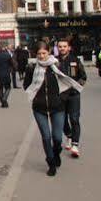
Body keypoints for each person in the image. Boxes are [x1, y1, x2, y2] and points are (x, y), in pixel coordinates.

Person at [23, 42, 82, 176]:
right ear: (35, 54)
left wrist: (61, 98)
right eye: (39, 54)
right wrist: (35, 97)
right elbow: (27, 85)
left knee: (57, 138)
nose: (42, 56)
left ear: (49, 52)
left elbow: (66, 82)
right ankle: (50, 162)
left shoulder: (56, 65)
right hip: (39, 108)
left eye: (44, 53)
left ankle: (56, 153)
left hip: (57, 107)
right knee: (46, 136)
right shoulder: (31, 67)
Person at [56, 38, 87, 157]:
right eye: (60, 46)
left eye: (64, 46)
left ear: (69, 48)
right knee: (62, 120)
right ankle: (69, 135)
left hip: (73, 95)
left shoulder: (75, 60)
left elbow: (83, 77)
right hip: (60, 96)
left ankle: (75, 144)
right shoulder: (54, 61)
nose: (62, 48)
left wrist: (76, 87)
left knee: (74, 119)